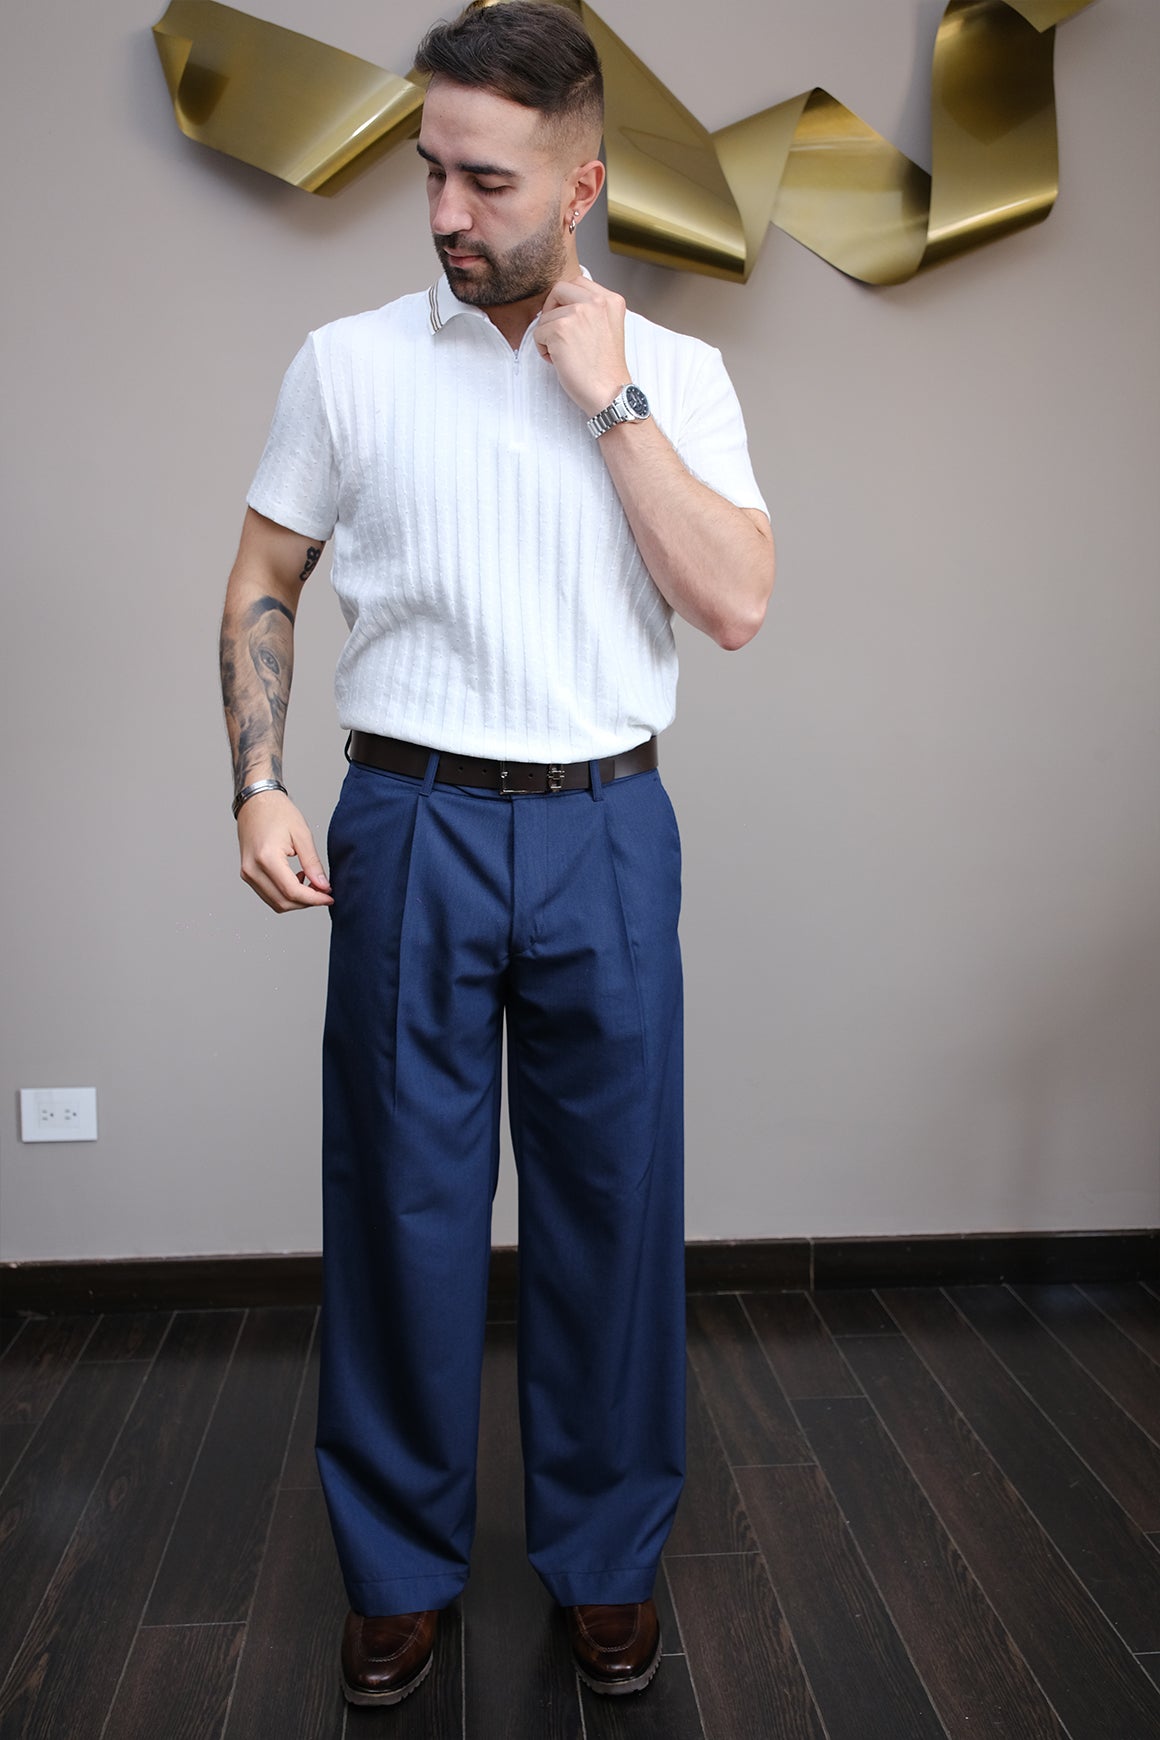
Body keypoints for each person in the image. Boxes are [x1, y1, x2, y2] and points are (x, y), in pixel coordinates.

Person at [219, 0, 773, 1707]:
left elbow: (735, 602)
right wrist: (257, 781)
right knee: (401, 1210)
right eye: (431, 173)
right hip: (410, 821)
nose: (449, 212)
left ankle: (606, 1563)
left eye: (489, 181)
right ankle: (397, 1570)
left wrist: (610, 402)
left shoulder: (678, 375)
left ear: (582, 185)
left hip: (607, 821)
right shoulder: (347, 364)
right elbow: (262, 579)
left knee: (613, 1211)